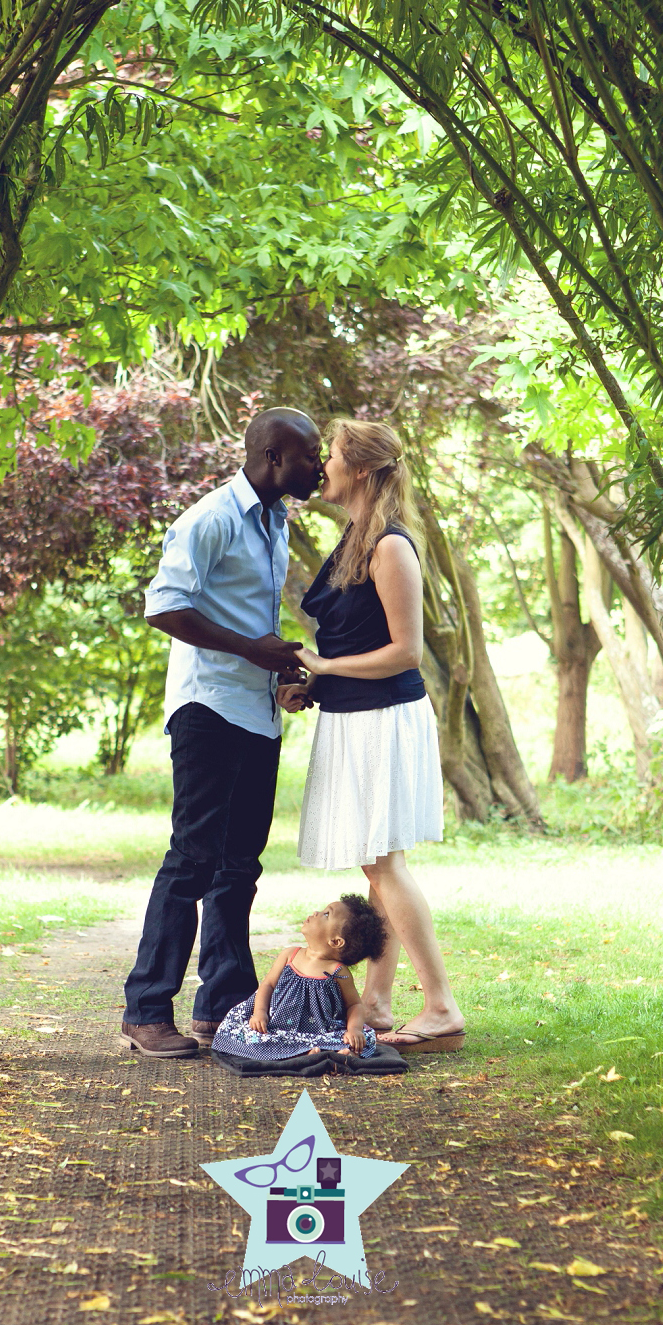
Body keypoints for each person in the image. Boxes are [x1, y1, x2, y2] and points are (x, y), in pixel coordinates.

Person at [121, 407, 322, 1059]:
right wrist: (252, 651)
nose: (318, 466)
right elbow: (165, 607)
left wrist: (282, 673)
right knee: (193, 858)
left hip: (258, 712)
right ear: (273, 457)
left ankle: (221, 1006)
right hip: (208, 707)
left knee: (239, 865)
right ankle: (147, 1009)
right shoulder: (208, 519)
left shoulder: (276, 521)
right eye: (309, 456)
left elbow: (252, 620)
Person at [278, 418, 465, 1053]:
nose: (319, 465)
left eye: (328, 455)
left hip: (385, 719)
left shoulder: (390, 546)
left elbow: (405, 652)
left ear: (359, 469)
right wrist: (315, 686)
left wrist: (326, 668)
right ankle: (380, 1002)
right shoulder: (353, 542)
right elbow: (356, 641)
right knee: (376, 863)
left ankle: (440, 1006)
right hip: (351, 716)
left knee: (385, 864)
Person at [209, 895, 386, 1065]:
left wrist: (353, 1030)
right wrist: (259, 1012)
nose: (316, 912)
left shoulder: (337, 971)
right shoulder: (289, 955)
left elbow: (354, 1005)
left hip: (320, 1031)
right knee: (249, 1033)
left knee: (361, 1038)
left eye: (326, 914)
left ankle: (332, 1052)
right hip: (278, 1027)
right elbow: (268, 985)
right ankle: (308, 1052)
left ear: (336, 941)